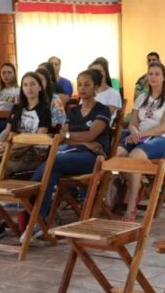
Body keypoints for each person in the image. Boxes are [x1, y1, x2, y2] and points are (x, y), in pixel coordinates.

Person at [30, 69, 113, 233]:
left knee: (54, 161)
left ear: (96, 87)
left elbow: (91, 134)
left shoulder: (102, 110)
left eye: (87, 85)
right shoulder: (73, 110)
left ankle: (28, 202)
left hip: (94, 158)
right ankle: (40, 220)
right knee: (53, 170)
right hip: (74, 153)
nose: (82, 88)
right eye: (80, 84)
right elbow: (63, 136)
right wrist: (85, 142)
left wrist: (71, 137)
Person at [0, 72, 53, 239]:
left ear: (40, 87)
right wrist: (1, 142)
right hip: (8, 149)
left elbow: (39, 137)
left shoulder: (44, 110)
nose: (29, 88)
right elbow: (7, 131)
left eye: (32, 84)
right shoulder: (17, 108)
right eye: (25, 85)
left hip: (30, 154)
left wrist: (11, 144)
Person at [119, 62, 165, 221]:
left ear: (163, 77)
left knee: (134, 156)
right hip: (139, 136)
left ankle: (131, 206)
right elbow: (133, 123)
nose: (153, 77)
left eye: (157, 74)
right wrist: (134, 132)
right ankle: (137, 184)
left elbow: (163, 127)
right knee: (116, 154)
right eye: (150, 74)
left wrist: (141, 134)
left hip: (161, 139)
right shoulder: (141, 97)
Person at [36, 63, 67, 130]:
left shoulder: (54, 99)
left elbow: (60, 123)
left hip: (49, 133)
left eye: (41, 79)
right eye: (35, 80)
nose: (38, 83)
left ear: (47, 81)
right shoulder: (29, 98)